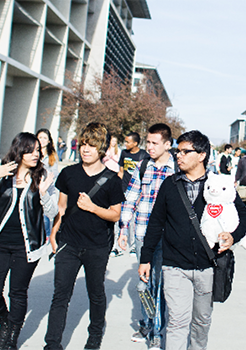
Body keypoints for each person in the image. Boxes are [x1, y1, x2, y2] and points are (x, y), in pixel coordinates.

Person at [138, 130, 246, 350]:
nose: (178, 156)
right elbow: (155, 223)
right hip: (174, 266)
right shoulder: (170, 185)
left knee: (201, 322)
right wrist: (146, 258)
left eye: (184, 151)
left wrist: (233, 236)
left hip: (207, 266)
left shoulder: (218, 184)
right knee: (177, 322)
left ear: (201, 155)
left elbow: (244, 216)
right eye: (177, 151)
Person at [44, 123, 125, 350]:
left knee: (96, 293)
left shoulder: (112, 180)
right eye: (83, 144)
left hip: (97, 246)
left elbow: (115, 215)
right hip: (68, 243)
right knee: (60, 295)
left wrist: (92, 208)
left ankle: (95, 334)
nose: (85, 149)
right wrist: (53, 235)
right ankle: (52, 343)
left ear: (102, 149)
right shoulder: (68, 174)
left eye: (91, 145)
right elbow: (61, 208)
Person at [0, 132, 57, 350]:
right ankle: (4, 319)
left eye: (38, 151)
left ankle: (12, 334)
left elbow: (52, 212)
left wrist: (43, 193)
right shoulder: (3, 173)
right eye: (30, 150)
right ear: (19, 150)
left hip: (27, 247)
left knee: (18, 293)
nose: (35, 154)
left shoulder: (43, 176)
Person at [118, 124, 177, 349]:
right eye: (148, 143)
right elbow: (131, 198)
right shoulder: (143, 166)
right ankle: (148, 324)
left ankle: (157, 331)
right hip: (143, 234)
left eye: (155, 143)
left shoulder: (176, 169)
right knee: (145, 284)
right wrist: (124, 229)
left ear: (167, 144)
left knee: (160, 284)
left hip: (168, 237)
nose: (149, 147)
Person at [37, 128, 60, 238]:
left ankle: (46, 235)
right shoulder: (33, 152)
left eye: (45, 138)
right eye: (40, 137)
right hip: (34, 187)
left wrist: (45, 180)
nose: (42, 140)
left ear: (49, 141)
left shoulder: (52, 156)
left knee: (45, 213)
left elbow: (54, 172)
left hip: (47, 187)